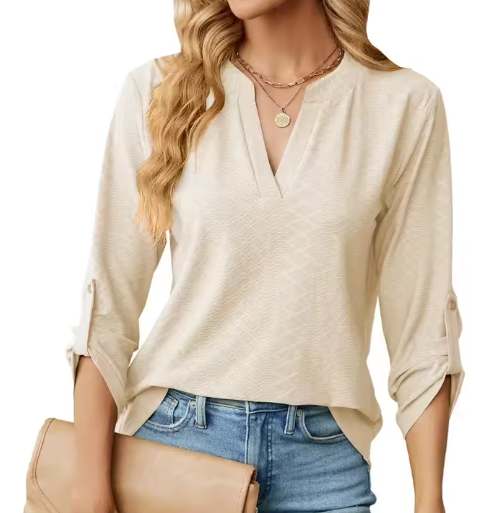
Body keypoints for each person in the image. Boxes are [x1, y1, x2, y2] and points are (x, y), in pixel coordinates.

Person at [69, 0, 465, 512]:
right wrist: (89, 489)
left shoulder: (403, 105)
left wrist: (430, 500)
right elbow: (107, 311)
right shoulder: (160, 90)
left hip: (325, 463)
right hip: (175, 445)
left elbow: (422, 326)